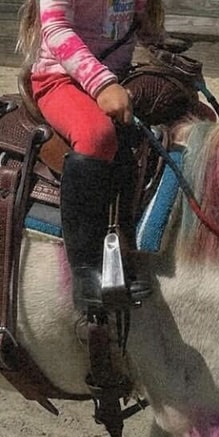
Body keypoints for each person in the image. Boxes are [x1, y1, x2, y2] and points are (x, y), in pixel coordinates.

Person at [16, 0, 167, 313]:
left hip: (118, 76)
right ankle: (86, 270)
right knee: (96, 136)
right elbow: (56, 29)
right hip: (60, 79)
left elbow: (141, 22)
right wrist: (102, 85)